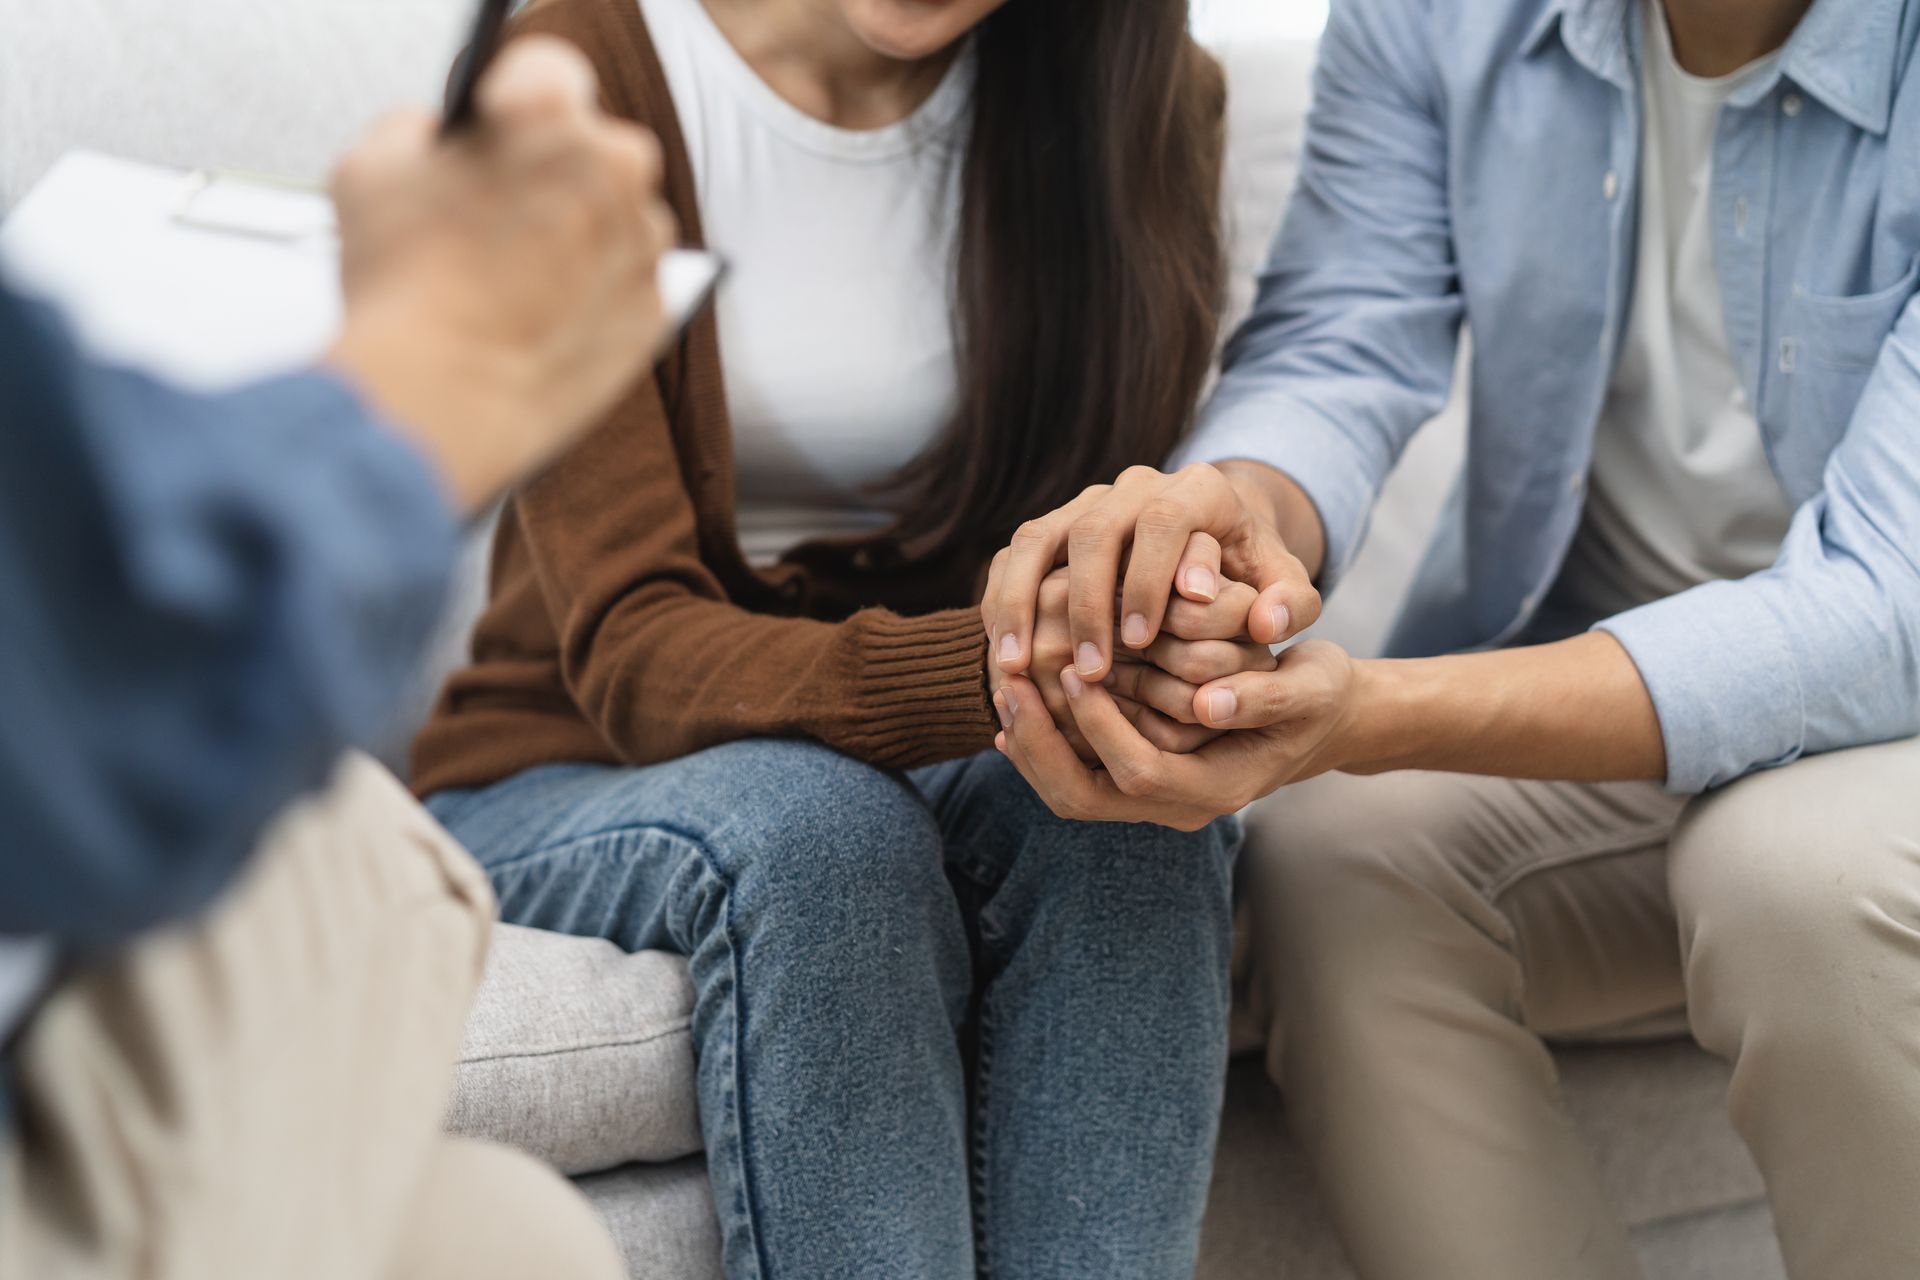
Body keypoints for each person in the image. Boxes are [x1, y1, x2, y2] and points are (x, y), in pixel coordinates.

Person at [980, 0, 1920, 1276]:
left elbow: (1885, 606)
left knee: (1791, 873)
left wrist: (1372, 713)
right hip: (1616, 688)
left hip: (1893, 715)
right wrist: (1222, 527)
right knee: (1326, 857)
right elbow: (1343, 336)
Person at [411, 1, 1261, 1275]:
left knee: (1134, 819)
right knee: (823, 840)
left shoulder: (1129, 90)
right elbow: (633, 647)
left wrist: (1154, 625)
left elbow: (1084, 546)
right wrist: (1000, 667)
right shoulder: (577, 68)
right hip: (571, 758)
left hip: (943, 748)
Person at [1, 38, 676, 1279]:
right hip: (503, 762)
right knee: (360, 846)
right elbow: (128, 668)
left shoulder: (1117, 131)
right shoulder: (612, 62)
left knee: (509, 1240)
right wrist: (442, 368)